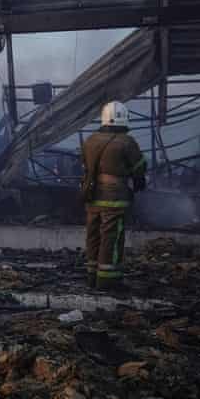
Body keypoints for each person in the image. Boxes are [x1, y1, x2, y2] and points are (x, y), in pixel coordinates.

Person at [82, 101, 147, 291]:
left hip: (92, 196)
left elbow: (85, 163)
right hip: (114, 198)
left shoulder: (91, 140)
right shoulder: (127, 141)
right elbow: (139, 167)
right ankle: (108, 280)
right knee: (111, 236)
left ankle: (91, 277)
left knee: (93, 235)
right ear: (124, 120)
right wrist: (138, 178)